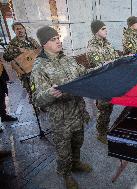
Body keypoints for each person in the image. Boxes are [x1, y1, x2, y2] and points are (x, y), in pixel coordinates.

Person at [30, 26, 92, 189]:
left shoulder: (68, 59)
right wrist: (50, 93)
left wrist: (103, 68)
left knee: (78, 142)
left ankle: (76, 163)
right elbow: (37, 99)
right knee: (64, 152)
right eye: (53, 39)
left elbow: (84, 74)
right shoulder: (39, 67)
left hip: (77, 112)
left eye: (58, 37)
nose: (58, 41)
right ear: (44, 44)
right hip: (61, 120)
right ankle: (65, 174)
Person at [86, 20, 120, 144]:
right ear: (96, 31)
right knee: (104, 109)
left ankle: (105, 129)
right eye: (103, 29)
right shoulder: (92, 46)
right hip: (101, 82)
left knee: (109, 107)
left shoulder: (107, 43)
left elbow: (114, 57)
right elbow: (98, 66)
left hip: (111, 80)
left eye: (106, 28)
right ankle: (101, 133)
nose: (106, 30)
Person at [3, 22, 41, 96]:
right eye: (17, 29)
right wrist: (17, 50)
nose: (20, 30)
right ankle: (34, 101)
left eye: (21, 28)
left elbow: (39, 51)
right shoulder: (13, 44)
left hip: (36, 70)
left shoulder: (31, 40)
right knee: (32, 90)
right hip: (26, 75)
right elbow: (6, 56)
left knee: (40, 88)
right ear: (14, 31)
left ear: (24, 29)